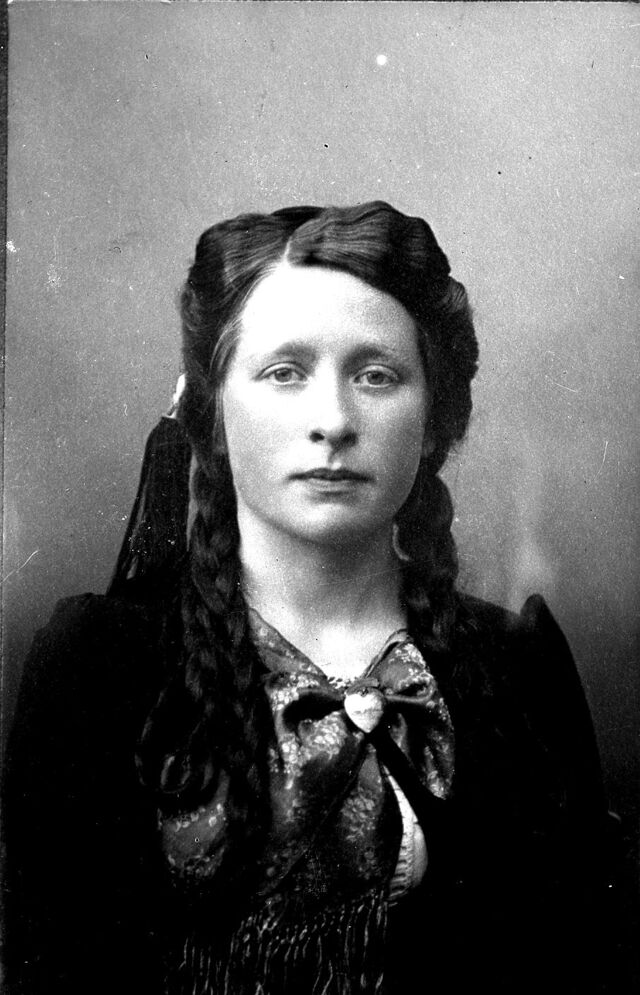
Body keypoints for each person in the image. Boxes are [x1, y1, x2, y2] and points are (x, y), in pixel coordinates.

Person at [2, 202, 624, 994]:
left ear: (435, 417)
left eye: (376, 375)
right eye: (285, 372)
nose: (333, 421)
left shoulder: (517, 668)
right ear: (212, 412)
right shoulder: (102, 664)